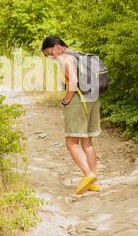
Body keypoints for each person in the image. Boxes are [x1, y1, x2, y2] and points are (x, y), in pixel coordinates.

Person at [42, 35, 102, 195]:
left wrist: (66, 100)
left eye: (50, 53)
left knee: (71, 142)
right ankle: (93, 181)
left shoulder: (64, 58)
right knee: (87, 142)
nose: (52, 57)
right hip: (93, 99)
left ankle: (88, 174)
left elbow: (73, 82)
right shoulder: (78, 55)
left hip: (77, 101)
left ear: (56, 46)